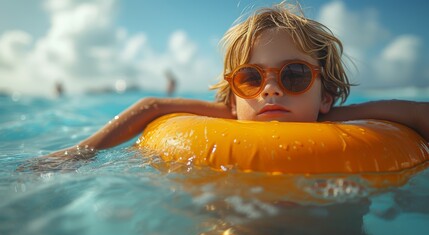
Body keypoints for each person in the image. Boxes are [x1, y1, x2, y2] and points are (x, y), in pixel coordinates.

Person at [30, 2, 428, 166]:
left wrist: (333, 115)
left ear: (325, 94)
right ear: (235, 98)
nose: (270, 90)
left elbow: (418, 114)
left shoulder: (333, 121)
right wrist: (77, 154)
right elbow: (153, 106)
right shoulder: (234, 114)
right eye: (251, 78)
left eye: (293, 75)